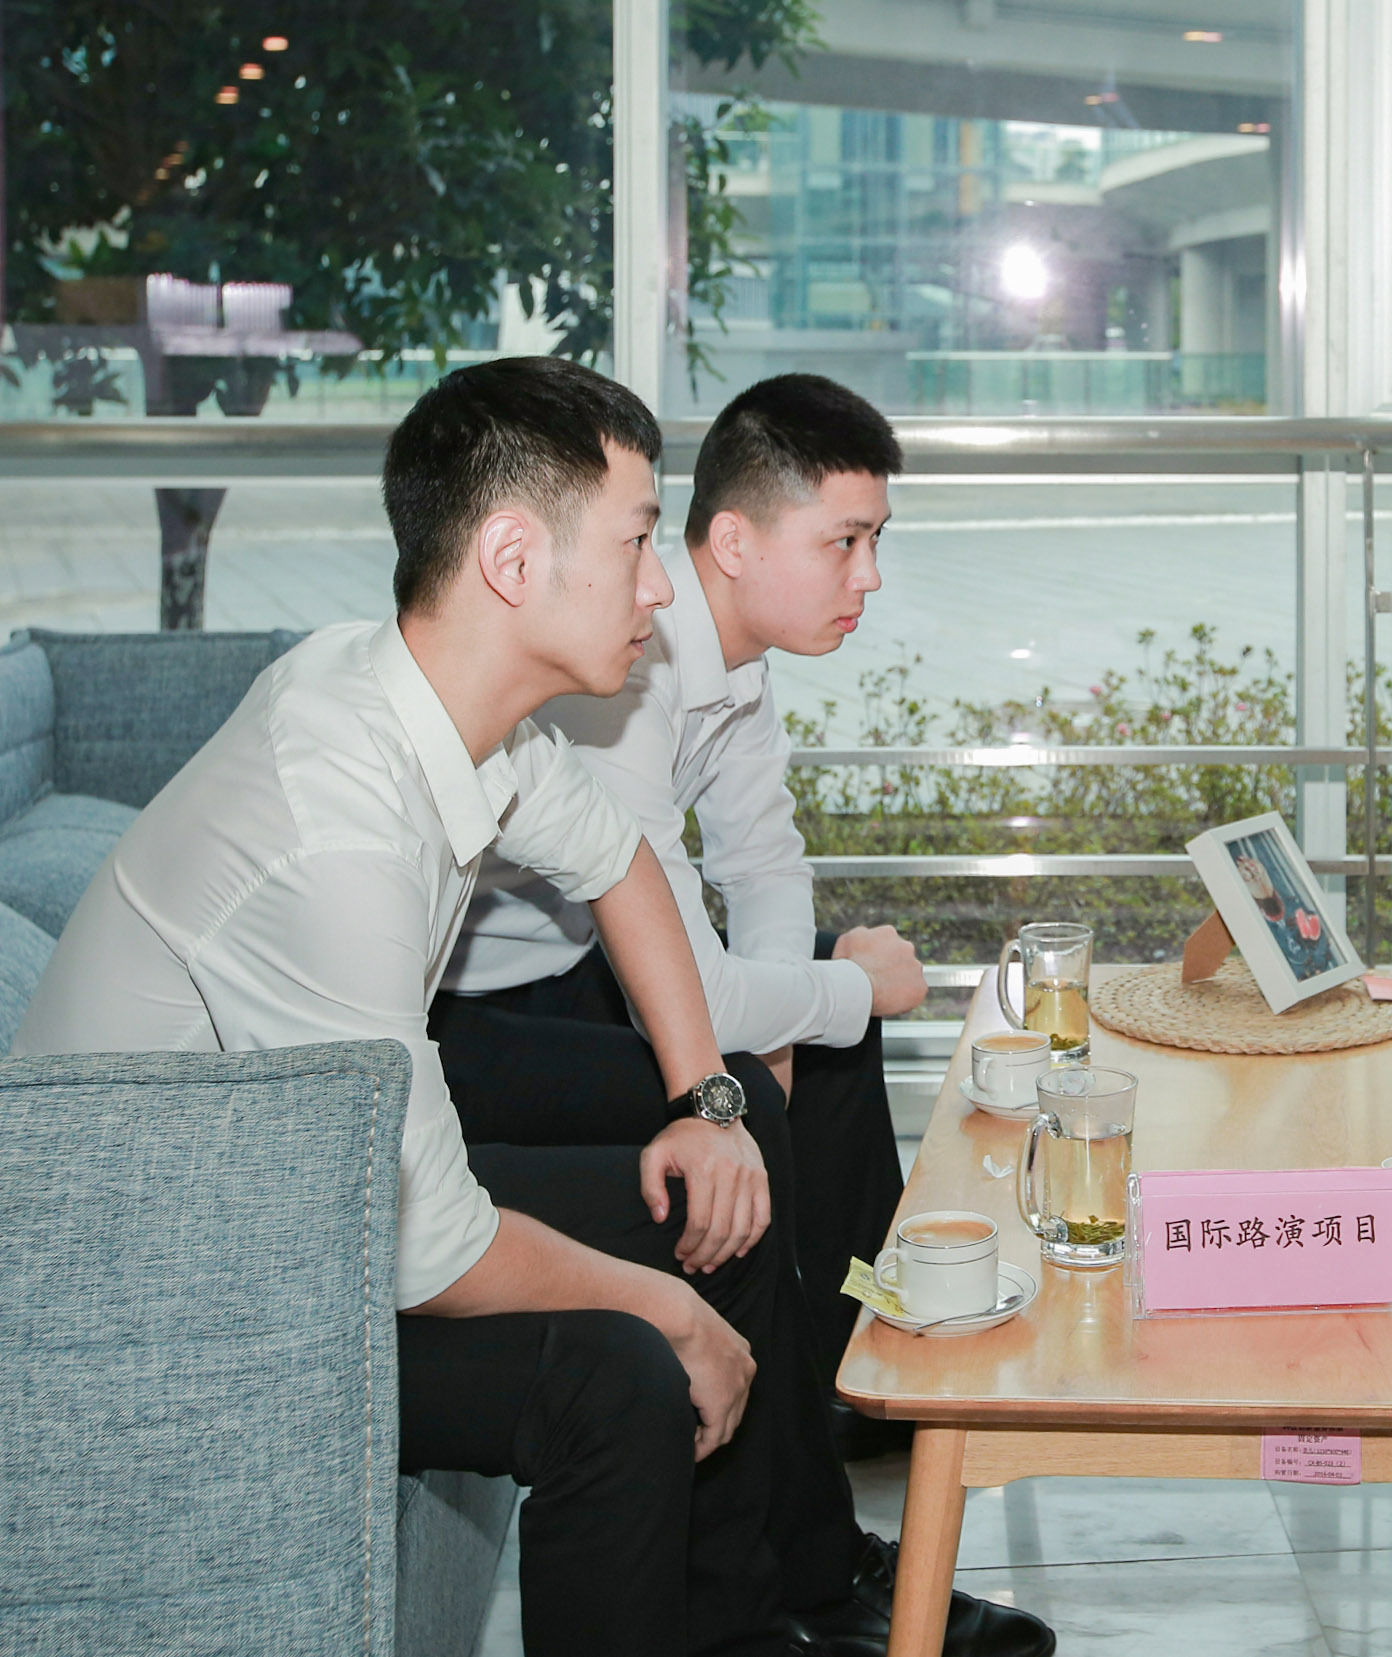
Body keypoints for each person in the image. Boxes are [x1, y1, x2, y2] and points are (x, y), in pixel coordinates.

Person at [13, 357, 1041, 1657]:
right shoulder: (335, 825)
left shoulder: (445, 711)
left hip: (300, 1189)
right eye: (634, 541)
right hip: (168, 1280)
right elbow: (429, 1247)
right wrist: (672, 1313)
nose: (659, 585)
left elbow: (619, 867)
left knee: (718, 1193)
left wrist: (707, 1101)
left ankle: (748, 1620)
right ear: (512, 559)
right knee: (619, 1373)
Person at [434, 373, 927, 1460]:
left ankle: (866, 1352)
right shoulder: (627, 677)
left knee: (814, 1022)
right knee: (799, 1032)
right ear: (736, 541)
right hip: (485, 1006)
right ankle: (802, 1432)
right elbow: (699, 991)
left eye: (876, 541)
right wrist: (848, 989)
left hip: (585, 964)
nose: (869, 576)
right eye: (844, 543)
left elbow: (762, 861)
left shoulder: (737, 667)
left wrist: (796, 1014)